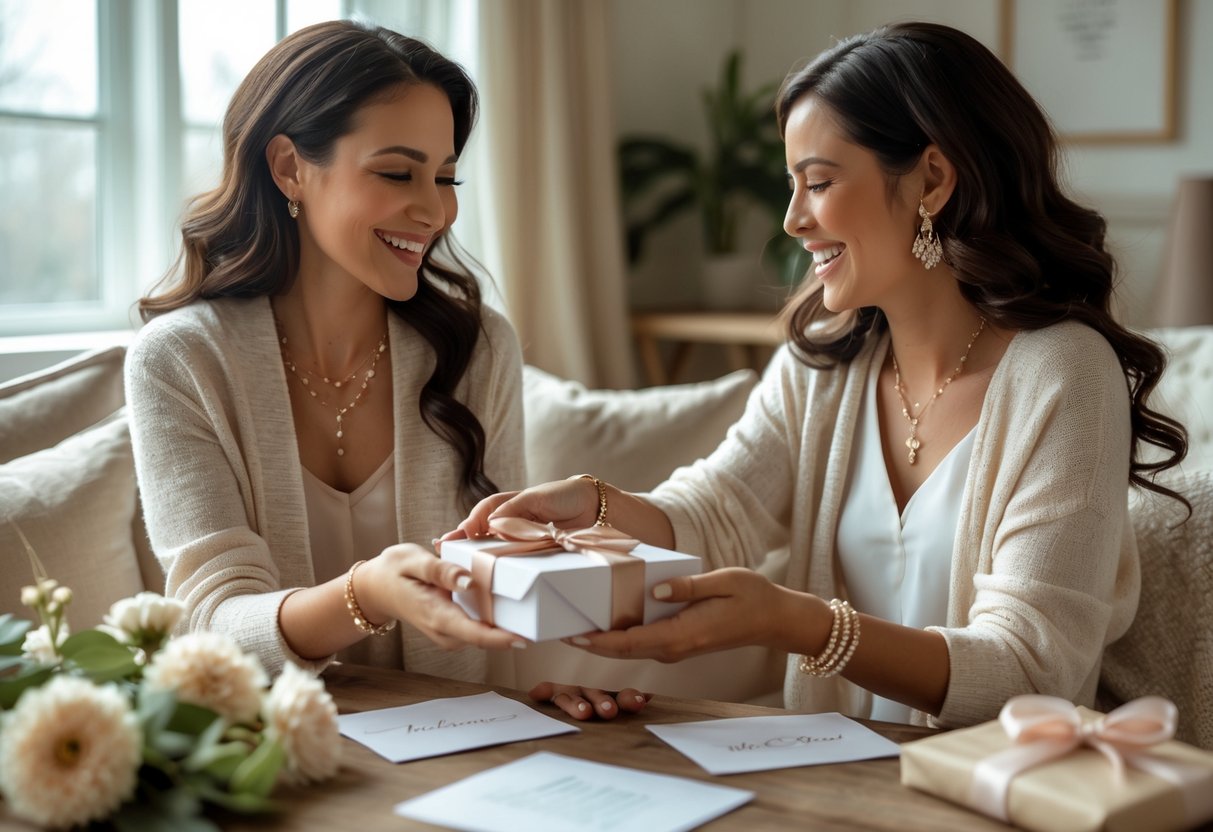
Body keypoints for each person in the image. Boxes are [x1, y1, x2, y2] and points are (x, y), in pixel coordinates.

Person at [452, 22, 1190, 727]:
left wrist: (799, 623)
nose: (792, 220)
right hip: (828, 775)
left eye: (818, 181)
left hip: (991, 789)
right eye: (791, 184)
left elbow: (1032, 670)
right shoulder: (827, 361)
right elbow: (721, 508)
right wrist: (596, 504)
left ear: (931, 180)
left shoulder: (1064, 376)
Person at [126, 20, 646, 720]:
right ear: (289, 169)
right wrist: (365, 594)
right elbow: (206, 628)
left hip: (456, 742)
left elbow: (502, 588)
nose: (433, 209)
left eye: (445, 176)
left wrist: (546, 680)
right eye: (397, 173)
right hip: (269, 753)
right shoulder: (181, 360)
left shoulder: (477, 348)